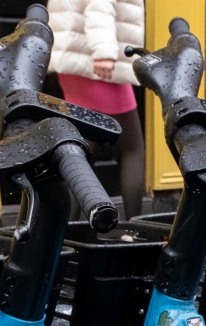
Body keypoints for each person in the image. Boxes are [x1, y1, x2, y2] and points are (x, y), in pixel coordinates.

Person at [49, 0, 146, 219]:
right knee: (132, 149)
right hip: (98, 64)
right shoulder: (102, 55)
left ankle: (67, 233)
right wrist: (104, 52)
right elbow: (99, 5)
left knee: (78, 155)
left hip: (77, 60)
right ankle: (134, 229)